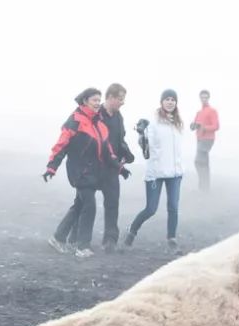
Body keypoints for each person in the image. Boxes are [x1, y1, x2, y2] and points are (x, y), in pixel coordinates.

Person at [44, 87, 130, 259]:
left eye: (99, 100)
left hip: (93, 172)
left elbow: (108, 150)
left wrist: (119, 167)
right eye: (94, 100)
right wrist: (52, 167)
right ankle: (83, 247)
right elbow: (61, 145)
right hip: (79, 171)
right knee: (89, 206)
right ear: (85, 101)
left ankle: (57, 238)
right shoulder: (75, 120)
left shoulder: (99, 124)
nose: (98, 103)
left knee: (79, 206)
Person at [66, 83, 135, 252]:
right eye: (120, 99)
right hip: (92, 168)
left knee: (112, 203)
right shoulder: (96, 115)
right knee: (82, 203)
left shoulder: (119, 117)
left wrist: (127, 153)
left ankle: (110, 240)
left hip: (112, 168)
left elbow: (119, 141)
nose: (122, 102)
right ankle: (73, 237)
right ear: (110, 98)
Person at [124, 89, 185, 254]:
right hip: (156, 173)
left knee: (173, 206)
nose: (170, 102)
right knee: (151, 209)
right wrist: (141, 133)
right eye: (167, 99)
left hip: (175, 173)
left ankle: (171, 238)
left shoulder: (178, 123)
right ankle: (132, 230)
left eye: (173, 99)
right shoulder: (153, 122)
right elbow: (145, 147)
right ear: (162, 102)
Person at [189, 89, 220, 192]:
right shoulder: (199, 112)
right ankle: (205, 187)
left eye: (206, 97)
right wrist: (193, 126)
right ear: (200, 98)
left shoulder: (212, 111)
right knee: (203, 163)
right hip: (199, 138)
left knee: (198, 161)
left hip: (208, 139)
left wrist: (203, 127)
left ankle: (203, 185)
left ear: (208, 98)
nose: (204, 99)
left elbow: (216, 126)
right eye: (202, 97)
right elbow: (194, 125)